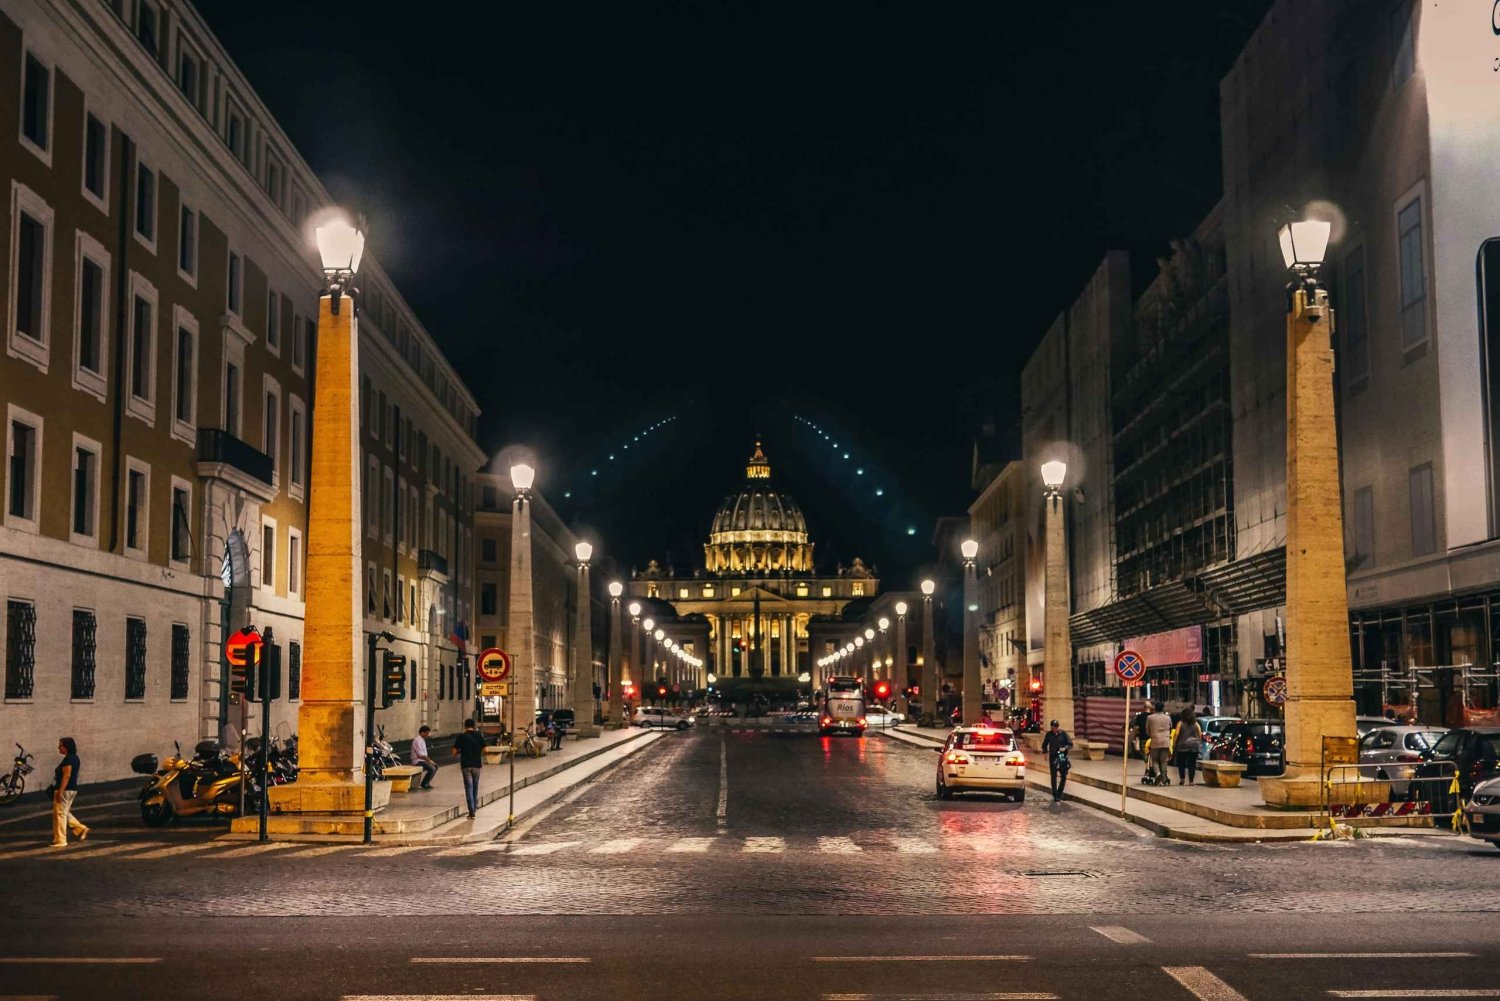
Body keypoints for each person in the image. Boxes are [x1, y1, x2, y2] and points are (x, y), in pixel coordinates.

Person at [50, 737, 88, 847]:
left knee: (60, 815)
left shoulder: (68, 759)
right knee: (64, 812)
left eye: (60, 745)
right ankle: (80, 829)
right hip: (71, 789)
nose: (58, 748)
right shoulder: (75, 758)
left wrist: (60, 791)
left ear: (66, 747)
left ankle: (61, 840)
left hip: (65, 789)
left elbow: (67, 775)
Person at [451, 719, 486, 819]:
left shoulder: (461, 737)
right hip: (476, 765)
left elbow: (453, 752)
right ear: (474, 726)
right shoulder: (479, 735)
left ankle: (472, 812)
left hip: (466, 765)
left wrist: (461, 751)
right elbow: (485, 750)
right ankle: (474, 808)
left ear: (465, 726)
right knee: (475, 787)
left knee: (468, 788)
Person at [1040, 719, 1074, 803]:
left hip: (1062, 756)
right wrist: (1045, 753)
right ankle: (1055, 795)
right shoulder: (1049, 734)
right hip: (1053, 757)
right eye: (1053, 727)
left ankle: (1059, 793)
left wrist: (1065, 748)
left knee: (1063, 776)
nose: (1055, 728)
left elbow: (1070, 744)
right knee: (1053, 776)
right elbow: (1044, 744)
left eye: (1056, 727)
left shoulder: (1063, 734)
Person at [1172, 708, 1204, 786]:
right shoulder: (1196, 723)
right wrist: (1198, 742)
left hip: (1182, 745)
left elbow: (1176, 733)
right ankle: (1191, 781)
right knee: (1192, 764)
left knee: (1181, 763)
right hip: (1194, 745)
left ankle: (1182, 779)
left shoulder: (1180, 723)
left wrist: (1174, 743)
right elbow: (1200, 733)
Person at [1146, 701, 1173, 786]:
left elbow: (1147, 730)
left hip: (1155, 741)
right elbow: (1170, 727)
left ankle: (1157, 774)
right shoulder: (1168, 718)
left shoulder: (1150, 718)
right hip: (1165, 741)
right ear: (1163, 708)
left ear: (1155, 708)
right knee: (1164, 761)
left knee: (1154, 760)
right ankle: (1164, 779)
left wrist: (1152, 735)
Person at [410, 725, 438, 790]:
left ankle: (426, 782)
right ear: (422, 732)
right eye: (427, 733)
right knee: (432, 768)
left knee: (435, 767)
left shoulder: (422, 740)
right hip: (418, 761)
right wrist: (429, 761)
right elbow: (421, 755)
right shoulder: (417, 740)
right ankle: (424, 784)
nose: (428, 735)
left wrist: (429, 761)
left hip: (422, 760)